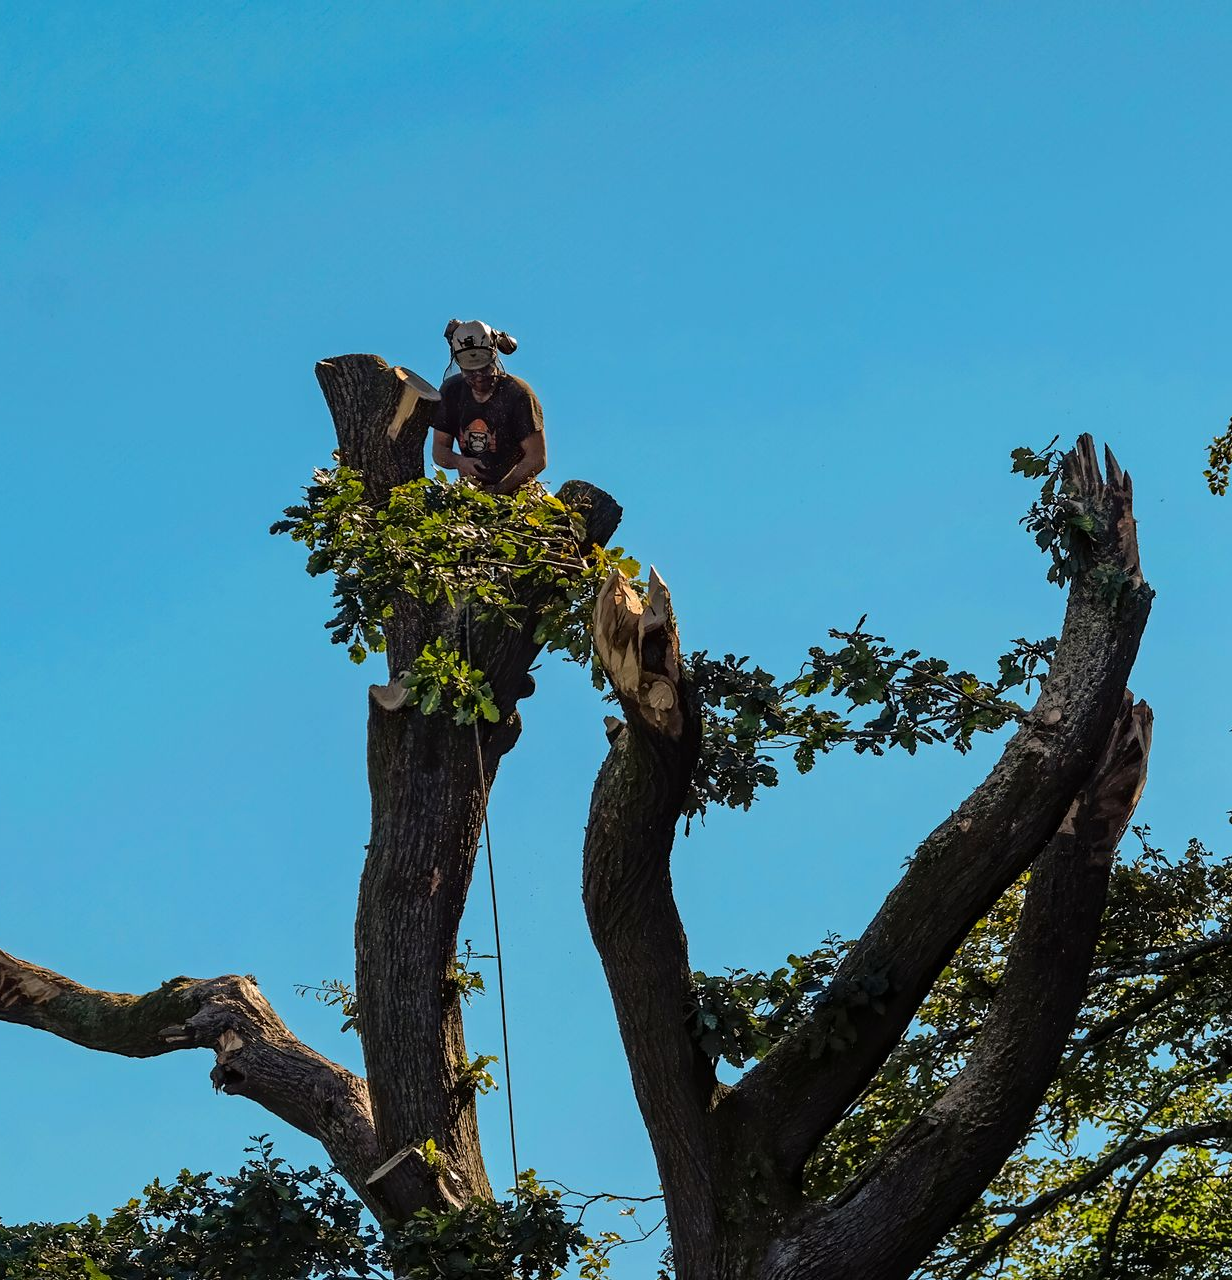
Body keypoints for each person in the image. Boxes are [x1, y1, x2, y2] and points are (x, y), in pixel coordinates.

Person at [431, 319, 547, 495]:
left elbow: (537, 458)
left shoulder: (519, 395)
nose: (478, 376)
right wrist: (459, 462)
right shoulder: (452, 392)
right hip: (470, 490)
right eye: (470, 371)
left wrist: (500, 489)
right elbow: (439, 450)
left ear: (494, 359)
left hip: (519, 491)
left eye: (484, 369)